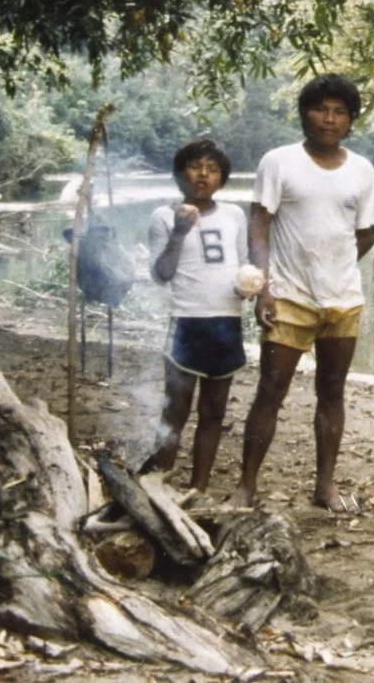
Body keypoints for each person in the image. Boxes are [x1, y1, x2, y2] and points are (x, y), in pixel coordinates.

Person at [233, 74, 374, 513]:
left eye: (339, 112)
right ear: (303, 113)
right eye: (320, 109)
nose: (328, 119)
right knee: (271, 389)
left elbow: (369, 227)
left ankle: (325, 486)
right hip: (288, 298)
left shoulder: (362, 169)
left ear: (351, 121)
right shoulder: (279, 162)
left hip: (342, 300)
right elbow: (259, 224)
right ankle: (246, 485)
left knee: (332, 391)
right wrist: (263, 287)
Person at [143, 138, 250, 493]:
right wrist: (178, 231)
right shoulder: (163, 215)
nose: (203, 174)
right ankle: (159, 482)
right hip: (187, 321)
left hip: (228, 320)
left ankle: (198, 487)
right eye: (195, 166)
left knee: (214, 411)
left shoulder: (234, 214)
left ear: (222, 177)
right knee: (175, 409)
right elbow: (161, 274)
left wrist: (250, 284)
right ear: (179, 173)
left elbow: (243, 263)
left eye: (213, 168)